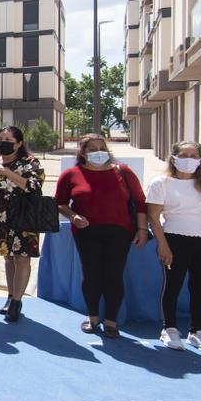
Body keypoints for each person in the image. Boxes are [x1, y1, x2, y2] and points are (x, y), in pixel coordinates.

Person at [55, 134, 149, 339]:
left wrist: (142, 230)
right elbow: (60, 203)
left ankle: (111, 321)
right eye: (91, 149)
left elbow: (141, 203)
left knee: (114, 276)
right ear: (82, 152)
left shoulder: (123, 172)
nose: (98, 152)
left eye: (101, 147)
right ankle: (93, 317)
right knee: (91, 275)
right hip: (86, 232)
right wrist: (73, 216)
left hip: (120, 232)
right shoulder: (71, 174)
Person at [146, 141, 201, 353]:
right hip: (174, 239)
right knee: (173, 285)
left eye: (194, 155)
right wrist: (162, 245)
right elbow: (154, 218)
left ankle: (197, 332)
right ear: (173, 158)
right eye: (184, 155)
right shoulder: (161, 183)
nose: (189, 159)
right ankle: (169, 329)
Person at [0, 126, 45, 323]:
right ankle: (10, 295)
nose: (3, 142)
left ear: (19, 144)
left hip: (24, 216)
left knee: (22, 258)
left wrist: (8, 173)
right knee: (8, 257)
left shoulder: (30, 162)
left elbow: (34, 186)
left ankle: (17, 301)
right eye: (0, 138)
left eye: (8, 139)